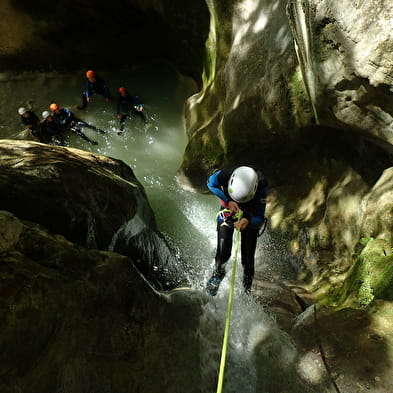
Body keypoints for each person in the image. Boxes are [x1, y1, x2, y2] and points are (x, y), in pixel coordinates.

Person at [206, 166, 268, 296]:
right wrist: (228, 201)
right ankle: (217, 274)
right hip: (228, 207)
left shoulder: (261, 188)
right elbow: (210, 184)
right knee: (223, 252)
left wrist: (248, 221)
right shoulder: (224, 175)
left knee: (248, 260)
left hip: (249, 214)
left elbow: (259, 217)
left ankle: (247, 290)